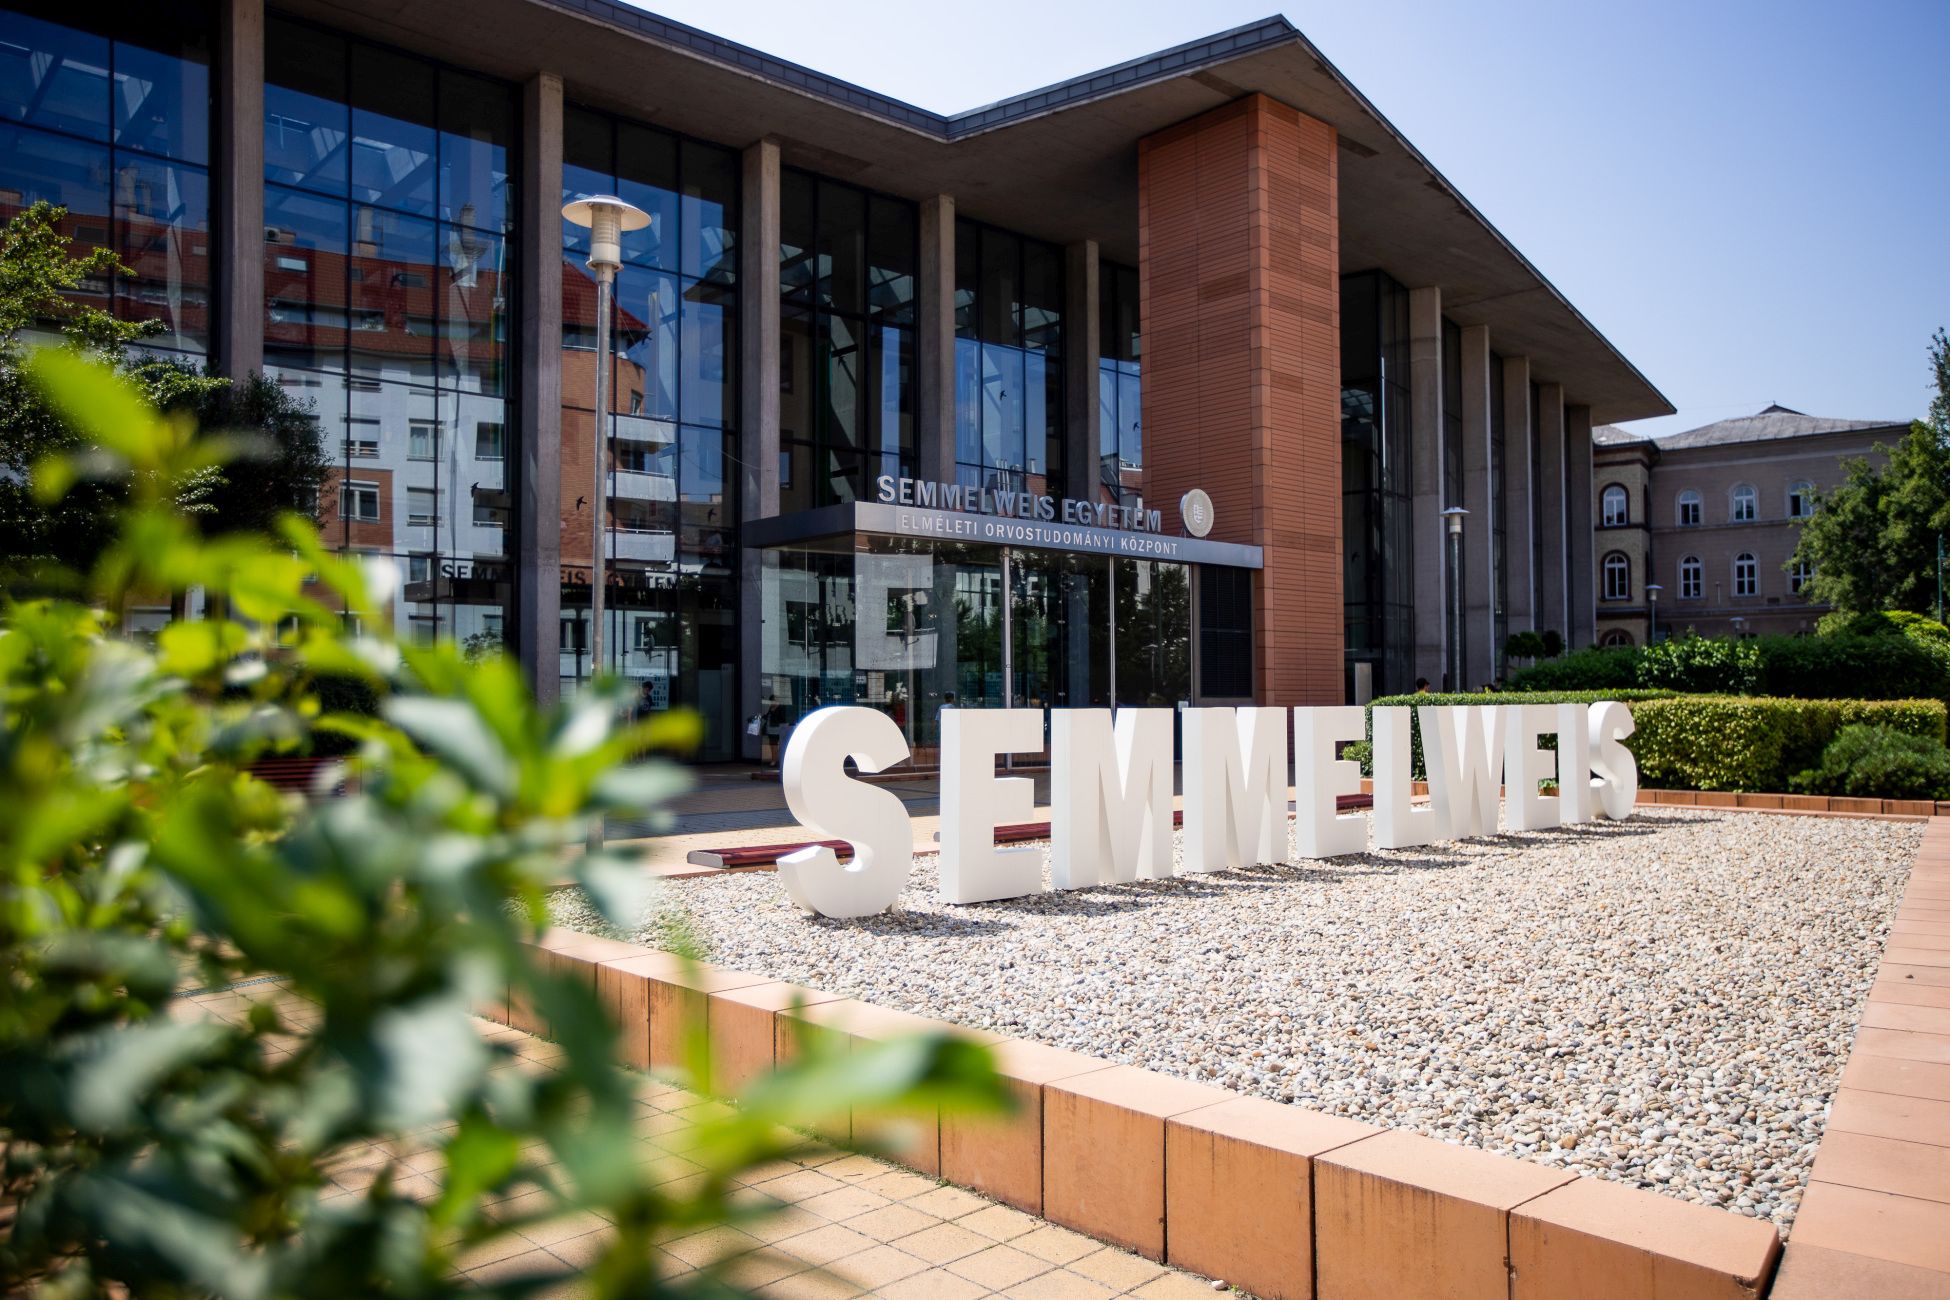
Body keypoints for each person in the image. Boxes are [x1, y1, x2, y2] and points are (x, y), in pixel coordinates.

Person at [762, 695, 786, 767]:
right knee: (772, 745)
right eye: (771, 701)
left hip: (776, 729)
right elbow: (768, 717)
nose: (772, 703)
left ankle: (774, 760)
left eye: (773, 701)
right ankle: (774, 759)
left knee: (775, 745)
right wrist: (763, 716)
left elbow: (782, 719)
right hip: (770, 729)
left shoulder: (780, 708)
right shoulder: (771, 708)